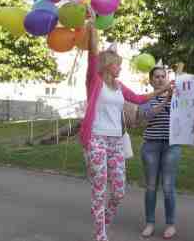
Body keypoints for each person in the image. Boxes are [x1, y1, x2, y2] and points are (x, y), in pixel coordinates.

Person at [80, 24, 172, 241]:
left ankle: (103, 223)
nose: (120, 68)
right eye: (118, 65)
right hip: (96, 140)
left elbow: (139, 99)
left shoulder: (120, 87)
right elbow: (92, 54)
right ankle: (100, 234)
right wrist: (92, 27)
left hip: (116, 142)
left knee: (119, 192)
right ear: (108, 65)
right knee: (100, 188)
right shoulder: (95, 82)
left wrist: (164, 90)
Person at [139, 65, 180, 239]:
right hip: (151, 146)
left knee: (168, 187)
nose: (160, 79)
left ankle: (170, 224)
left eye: (163, 76)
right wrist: (164, 100)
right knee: (150, 187)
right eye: (156, 76)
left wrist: (173, 99)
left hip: (172, 146)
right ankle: (149, 223)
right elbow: (146, 116)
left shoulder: (177, 98)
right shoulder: (147, 98)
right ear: (151, 80)